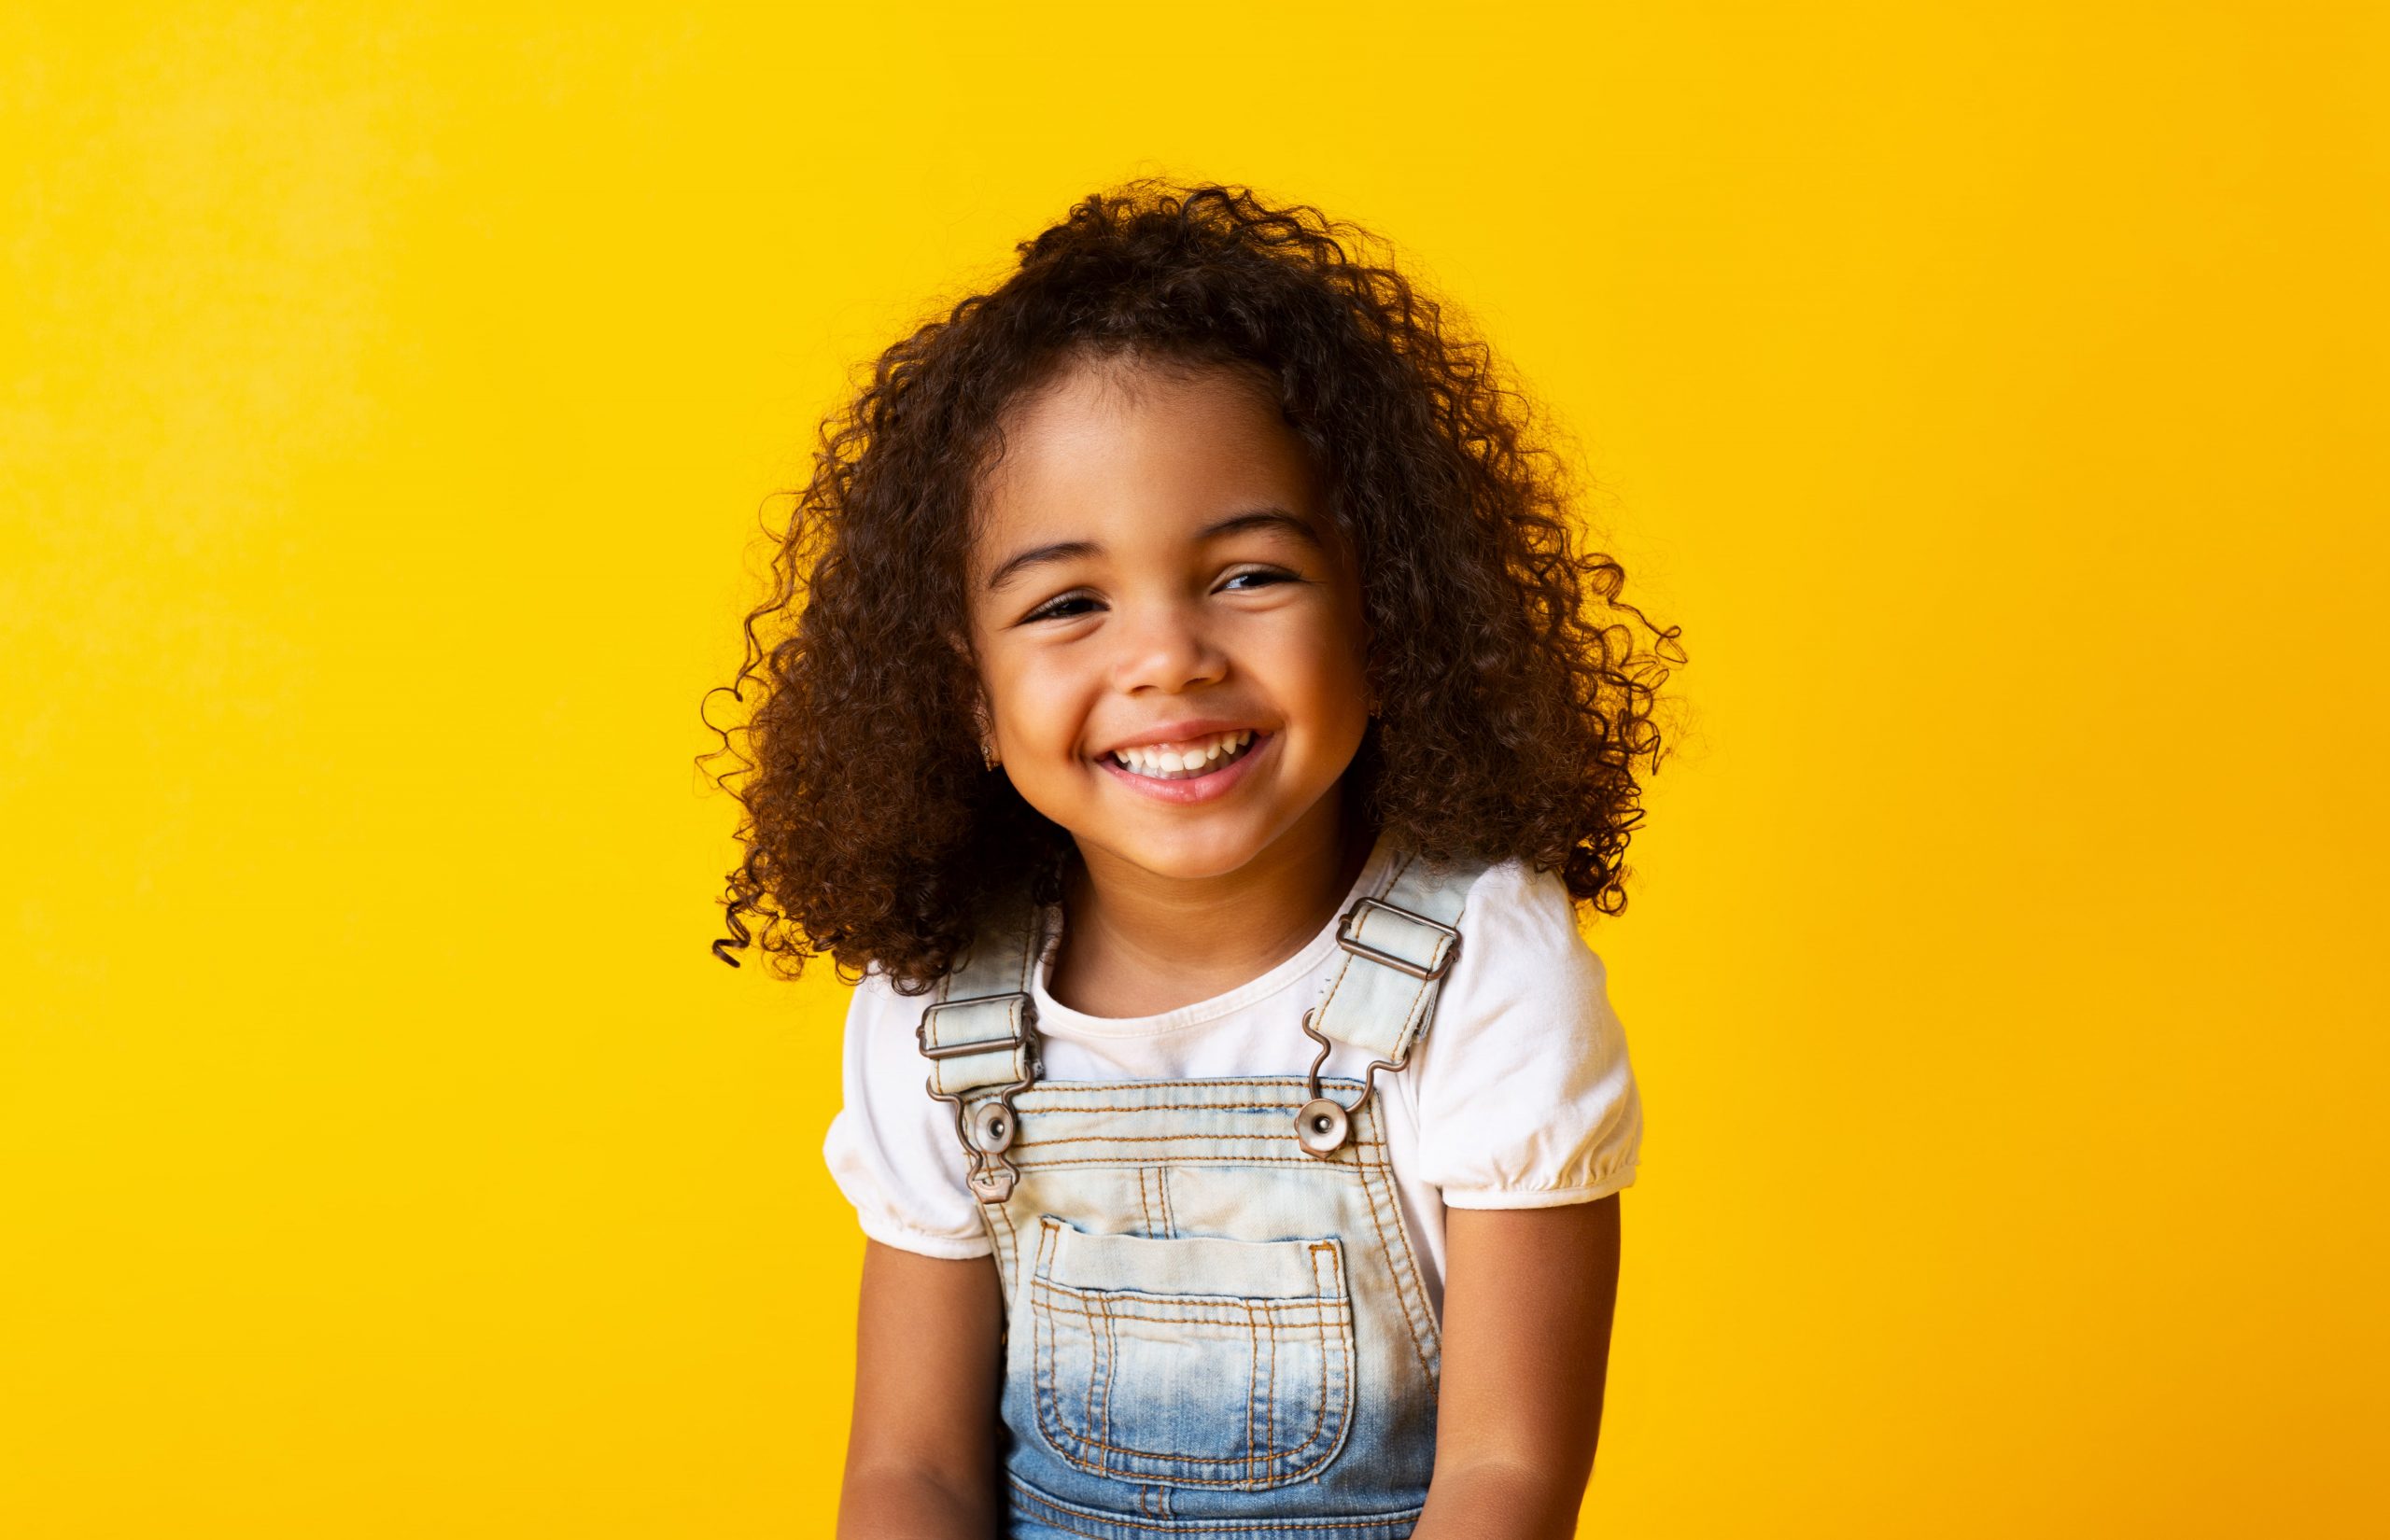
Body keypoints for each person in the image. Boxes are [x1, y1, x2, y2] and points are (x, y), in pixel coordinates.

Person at [703, 179, 1684, 1539]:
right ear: (969, 696)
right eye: (1068, 603)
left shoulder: (1485, 980)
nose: (1168, 657)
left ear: (1385, 609)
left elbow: (1505, 1477)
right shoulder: (940, 1009)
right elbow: (909, 1472)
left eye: (1248, 575)